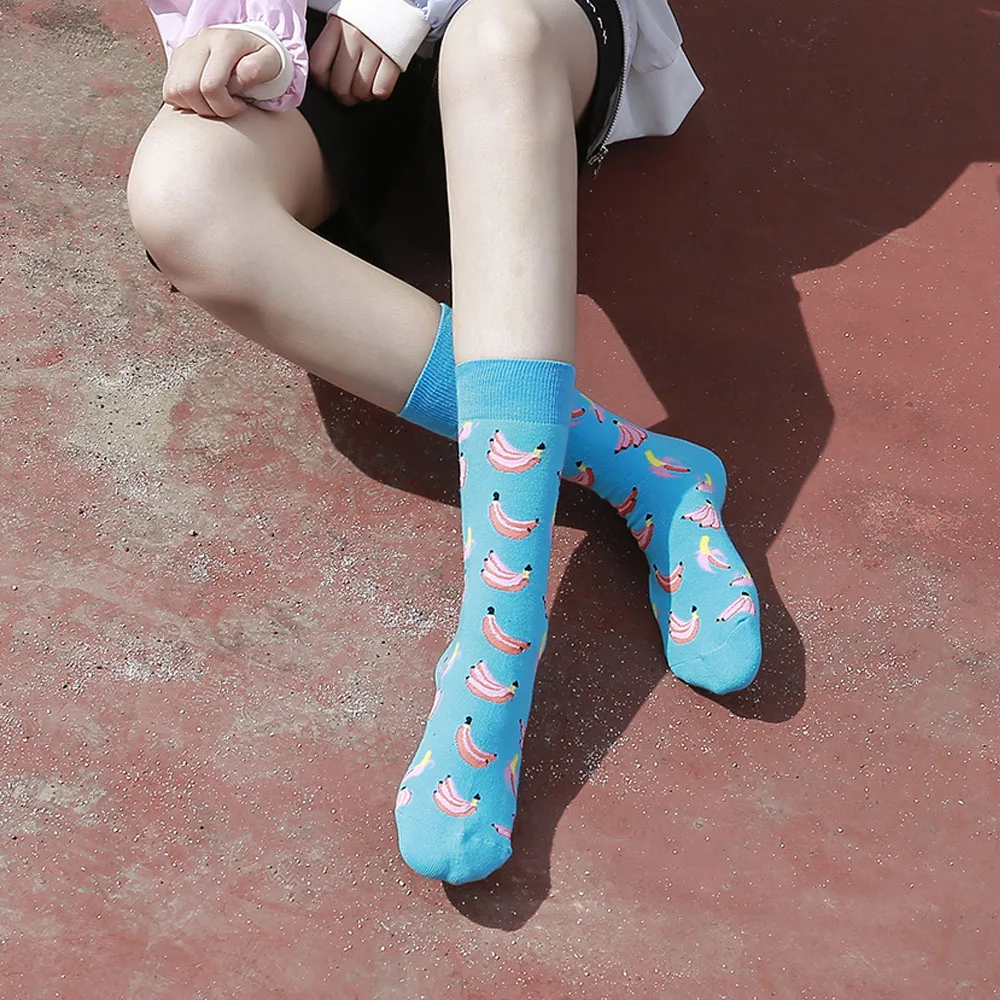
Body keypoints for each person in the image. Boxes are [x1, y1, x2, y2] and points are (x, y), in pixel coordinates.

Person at [127, 0, 761, 886]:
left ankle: (497, 652)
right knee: (183, 196)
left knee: (500, 38)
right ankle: (645, 470)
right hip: (321, 43)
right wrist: (249, 30)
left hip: (522, 26)